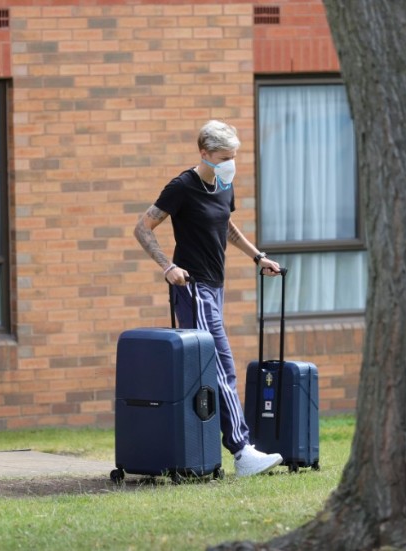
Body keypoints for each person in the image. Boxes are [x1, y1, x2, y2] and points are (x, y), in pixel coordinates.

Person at [133, 120, 284, 477]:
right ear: (204, 153)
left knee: (207, 369)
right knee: (221, 366)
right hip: (194, 287)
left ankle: (201, 447)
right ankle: (242, 450)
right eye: (223, 156)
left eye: (233, 156)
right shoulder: (182, 187)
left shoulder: (223, 184)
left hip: (216, 288)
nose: (231, 162)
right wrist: (167, 266)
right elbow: (143, 227)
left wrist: (258, 257)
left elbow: (226, 225)